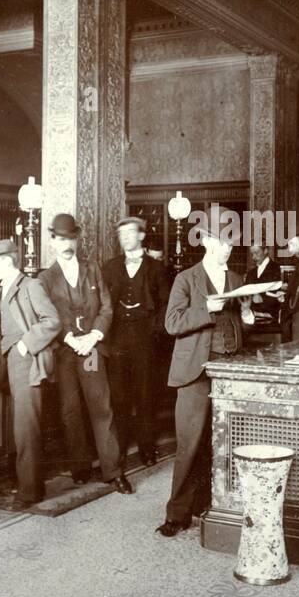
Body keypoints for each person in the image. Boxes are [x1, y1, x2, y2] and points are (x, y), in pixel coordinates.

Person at [158, 229, 254, 537]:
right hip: (194, 371)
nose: (227, 249)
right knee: (190, 442)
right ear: (207, 242)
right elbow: (172, 323)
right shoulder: (186, 279)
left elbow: (237, 322)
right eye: (221, 242)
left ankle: (216, 504)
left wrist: (249, 315)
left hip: (230, 369)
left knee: (227, 440)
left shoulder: (237, 279)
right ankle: (178, 512)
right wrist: (206, 310)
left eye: (230, 243)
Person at [39, 213, 131, 493]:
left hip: (91, 349)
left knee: (101, 407)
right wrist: (69, 338)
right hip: (66, 352)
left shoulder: (92, 269)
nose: (67, 243)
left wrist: (93, 336)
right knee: (70, 411)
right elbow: (47, 315)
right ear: (53, 240)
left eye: (71, 238)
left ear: (77, 239)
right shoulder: (46, 278)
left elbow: (106, 308)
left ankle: (113, 471)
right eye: (61, 238)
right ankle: (80, 467)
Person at [0, 239, 62, 509]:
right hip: (12, 365)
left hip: (28, 364)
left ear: (6, 261)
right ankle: (30, 486)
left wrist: (24, 345)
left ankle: (29, 492)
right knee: (21, 428)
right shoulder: (1, 293)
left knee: (27, 428)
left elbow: (52, 320)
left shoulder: (31, 286)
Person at [102, 216, 170, 470]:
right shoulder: (110, 267)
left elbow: (165, 305)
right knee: (118, 397)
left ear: (141, 236)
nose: (125, 238)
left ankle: (146, 448)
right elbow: (103, 304)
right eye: (121, 234)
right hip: (117, 337)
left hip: (145, 339)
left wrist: (155, 331)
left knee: (145, 395)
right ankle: (117, 450)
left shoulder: (157, 268)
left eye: (130, 233)